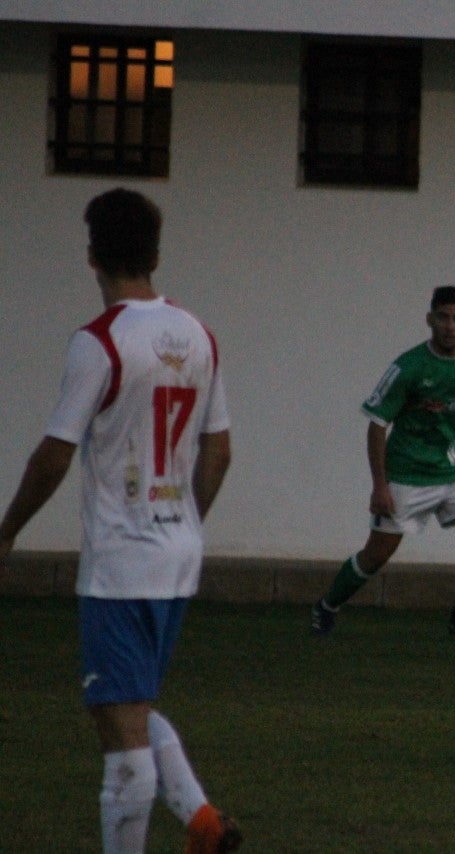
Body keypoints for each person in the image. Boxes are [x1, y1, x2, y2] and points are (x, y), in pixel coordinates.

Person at [0, 188, 240, 852]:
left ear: (92, 256)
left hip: (121, 559)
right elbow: (220, 450)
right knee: (131, 705)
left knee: (121, 737)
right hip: (177, 553)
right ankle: (202, 823)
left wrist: (8, 529)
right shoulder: (198, 335)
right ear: (155, 255)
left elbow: (54, 454)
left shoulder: (100, 342)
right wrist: (183, 520)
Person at [311, 286, 455, 638]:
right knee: (376, 555)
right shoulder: (409, 366)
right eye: (443, 318)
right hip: (407, 473)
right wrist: (380, 486)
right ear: (430, 319)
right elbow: (377, 424)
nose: (450, 326)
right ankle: (326, 606)